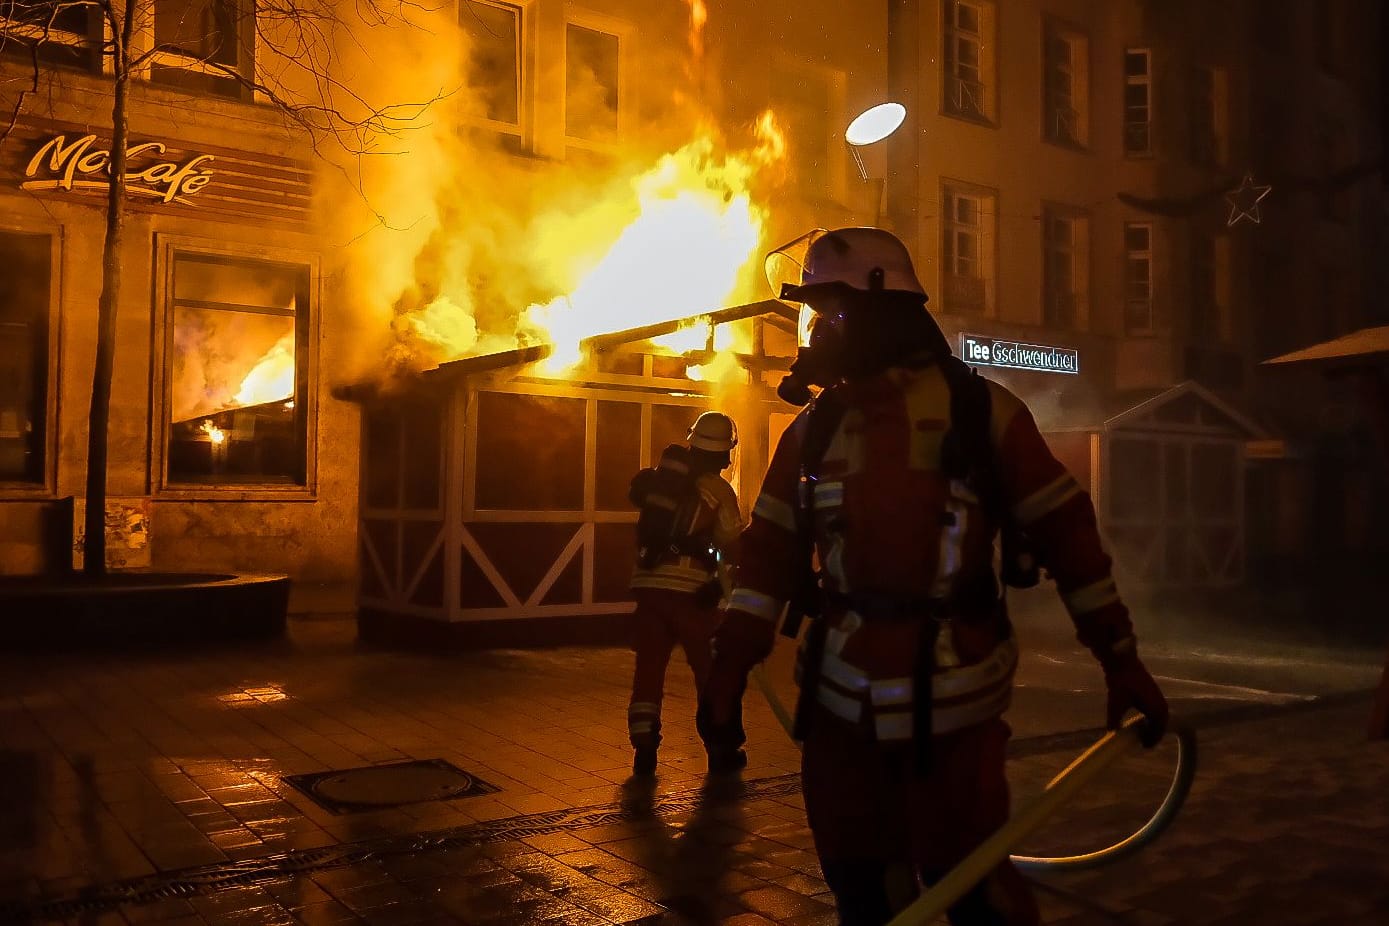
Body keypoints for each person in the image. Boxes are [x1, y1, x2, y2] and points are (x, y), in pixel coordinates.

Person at [697, 227, 1169, 925]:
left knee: (972, 886)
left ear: (884, 307)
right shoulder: (813, 431)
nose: (814, 333)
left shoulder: (984, 415)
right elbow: (766, 558)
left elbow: (1069, 540)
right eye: (811, 315)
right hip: (839, 713)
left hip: (954, 712)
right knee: (862, 888)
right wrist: (727, 670)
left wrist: (1119, 661)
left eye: (829, 314)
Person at [626, 410, 748, 777]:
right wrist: (719, 583)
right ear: (724, 453)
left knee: (648, 671)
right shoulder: (719, 490)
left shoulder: (663, 482)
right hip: (693, 596)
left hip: (649, 590)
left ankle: (644, 749)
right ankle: (719, 749)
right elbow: (733, 545)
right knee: (711, 673)